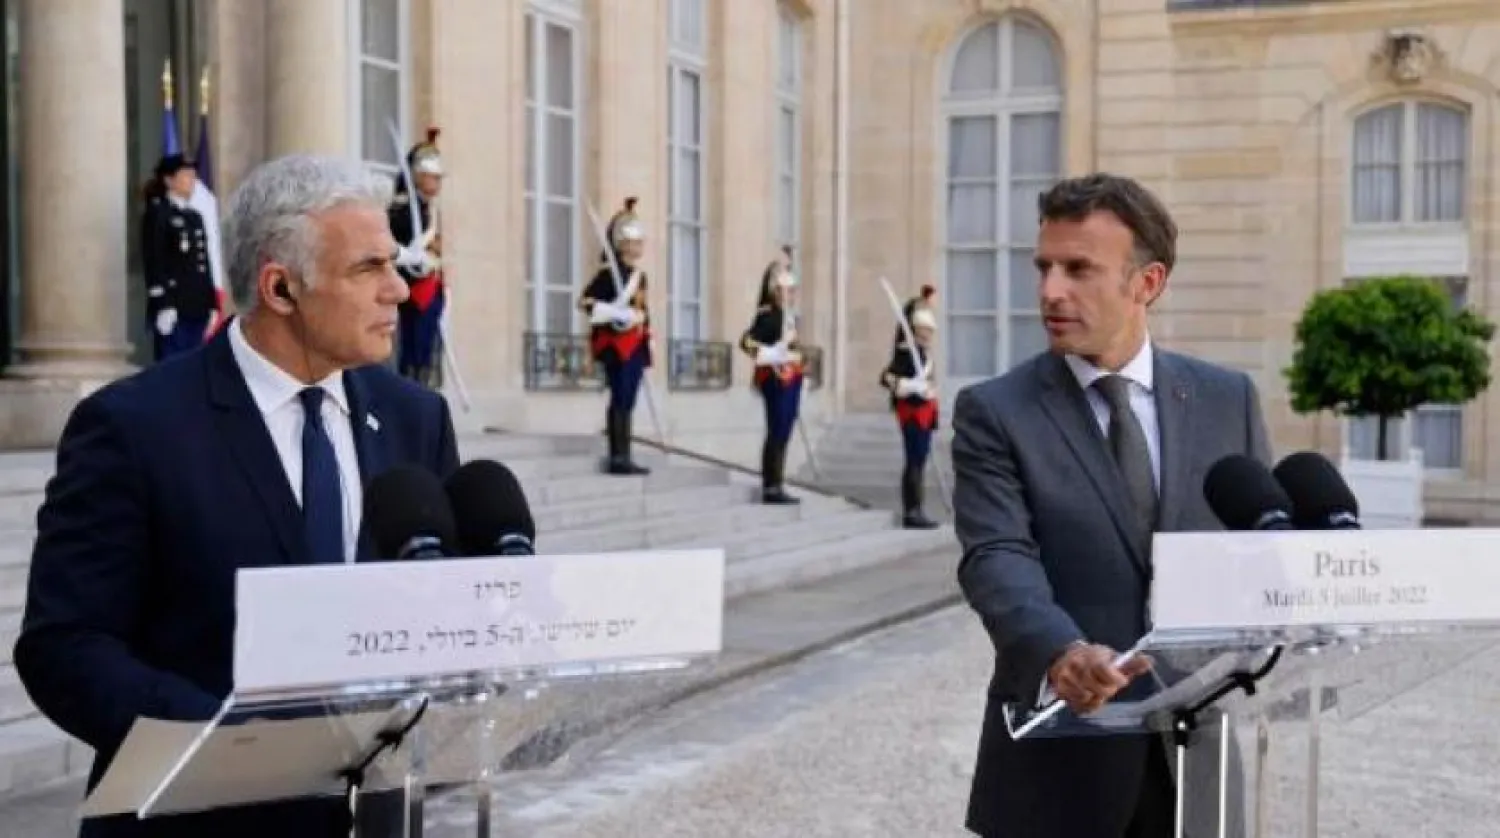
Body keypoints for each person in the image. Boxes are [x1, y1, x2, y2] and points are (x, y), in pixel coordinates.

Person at [14, 154, 461, 838]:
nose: (398, 290)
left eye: (393, 263)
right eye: (368, 268)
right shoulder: (134, 426)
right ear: (280, 289)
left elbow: (447, 603)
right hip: (192, 819)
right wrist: (229, 744)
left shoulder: (415, 418)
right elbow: (65, 646)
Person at [951, 173, 1270, 838]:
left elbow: (1259, 548)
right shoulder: (995, 412)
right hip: (1059, 764)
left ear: (1146, 283)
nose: (1049, 291)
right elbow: (996, 556)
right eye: (1044, 267)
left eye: (1078, 269)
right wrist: (1060, 651)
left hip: (1198, 756)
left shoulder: (1227, 399)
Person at [578, 198, 652, 476]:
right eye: (632, 243)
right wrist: (615, 312)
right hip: (616, 344)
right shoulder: (609, 275)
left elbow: (643, 309)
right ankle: (616, 456)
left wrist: (646, 330)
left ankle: (625, 453)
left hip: (634, 344)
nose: (637, 248)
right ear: (621, 244)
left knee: (629, 400)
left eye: (639, 242)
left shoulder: (638, 276)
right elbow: (585, 302)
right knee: (620, 398)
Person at [140, 153, 217, 362]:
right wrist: (162, 303)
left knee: (193, 367)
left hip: (197, 304)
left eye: (193, 175)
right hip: (173, 304)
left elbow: (202, 262)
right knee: (172, 368)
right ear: (169, 180)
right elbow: (154, 259)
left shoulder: (194, 217)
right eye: (186, 175)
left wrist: (211, 303)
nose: (191, 180)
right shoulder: (158, 213)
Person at [740, 261, 804, 505]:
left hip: (790, 379)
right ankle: (771, 485)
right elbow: (747, 343)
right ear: (774, 291)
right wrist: (772, 353)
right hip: (775, 380)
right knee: (776, 431)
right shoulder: (767, 317)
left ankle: (777, 482)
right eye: (785, 291)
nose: (789, 296)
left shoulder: (788, 319)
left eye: (792, 291)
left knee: (784, 432)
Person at [388, 126, 446, 387]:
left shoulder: (429, 209)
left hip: (429, 285)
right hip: (411, 287)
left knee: (427, 351)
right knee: (411, 351)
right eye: (432, 177)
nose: (437, 182)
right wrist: (424, 250)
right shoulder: (401, 209)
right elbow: (394, 249)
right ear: (417, 176)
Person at [881, 294, 941, 529]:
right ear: (915, 330)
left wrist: (928, 388)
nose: (928, 335)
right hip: (912, 412)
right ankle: (912, 511)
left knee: (919, 461)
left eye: (930, 331)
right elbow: (886, 378)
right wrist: (912, 385)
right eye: (924, 330)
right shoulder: (906, 352)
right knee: (914, 461)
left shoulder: (923, 354)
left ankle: (917, 508)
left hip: (925, 411)